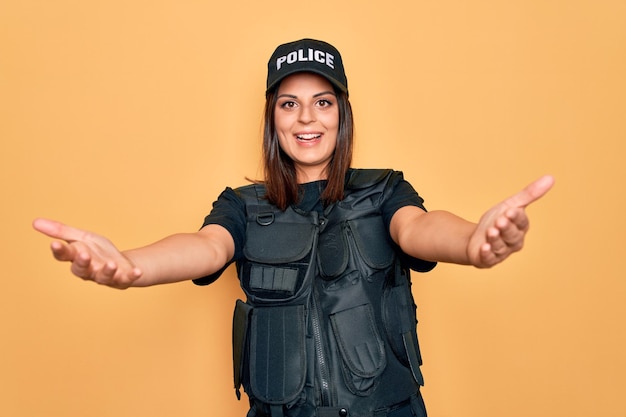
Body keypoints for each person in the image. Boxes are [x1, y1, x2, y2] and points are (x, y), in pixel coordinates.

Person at [33, 39, 554, 417]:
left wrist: (473, 243)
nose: (307, 117)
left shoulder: (385, 191)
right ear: (273, 118)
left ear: (341, 115)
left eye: (322, 101)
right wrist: (132, 265)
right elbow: (204, 247)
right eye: (290, 103)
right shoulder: (242, 205)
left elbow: (419, 229)